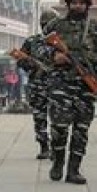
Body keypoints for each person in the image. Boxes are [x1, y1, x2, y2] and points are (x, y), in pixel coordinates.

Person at [34, 0, 97, 185]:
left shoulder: (96, 28)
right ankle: (58, 163)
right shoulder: (55, 25)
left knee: (81, 129)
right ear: (68, 4)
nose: (78, 6)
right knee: (59, 128)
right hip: (61, 84)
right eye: (74, 3)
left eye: (82, 3)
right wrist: (53, 55)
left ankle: (74, 170)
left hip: (86, 86)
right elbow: (38, 47)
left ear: (87, 6)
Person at [16, 9, 60, 159]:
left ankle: (56, 148)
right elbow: (20, 60)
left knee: (57, 119)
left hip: (57, 86)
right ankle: (44, 146)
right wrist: (31, 65)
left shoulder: (61, 42)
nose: (47, 26)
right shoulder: (31, 41)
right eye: (45, 23)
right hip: (38, 85)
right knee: (40, 117)